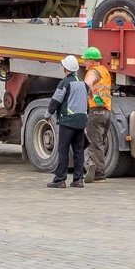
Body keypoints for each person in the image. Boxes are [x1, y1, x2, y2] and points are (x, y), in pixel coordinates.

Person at [46, 54, 89, 189]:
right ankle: (78, 179)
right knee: (78, 151)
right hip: (81, 122)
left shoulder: (64, 83)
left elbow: (56, 101)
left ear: (65, 68)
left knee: (63, 150)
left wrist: (48, 114)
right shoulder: (83, 84)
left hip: (67, 122)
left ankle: (60, 180)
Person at [81, 47, 113, 183]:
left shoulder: (93, 72)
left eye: (86, 61)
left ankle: (99, 174)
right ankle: (96, 169)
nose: (85, 64)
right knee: (99, 143)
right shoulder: (105, 71)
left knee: (94, 144)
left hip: (96, 112)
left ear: (92, 62)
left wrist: (88, 95)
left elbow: (86, 85)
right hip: (106, 112)